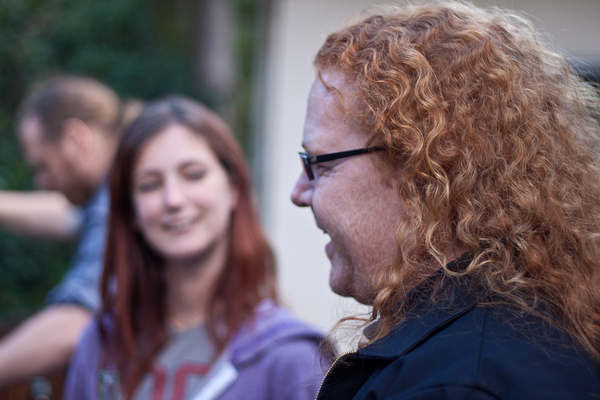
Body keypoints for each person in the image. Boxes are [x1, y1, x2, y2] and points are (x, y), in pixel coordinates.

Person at [291, 2, 600, 399]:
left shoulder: (460, 384)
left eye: (317, 162)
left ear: (419, 167)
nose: (299, 192)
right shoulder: (512, 341)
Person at [64, 96, 330, 400]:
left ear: (233, 188)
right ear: (131, 211)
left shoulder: (291, 358)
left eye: (194, 175)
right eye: (150, 185)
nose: (173, 199)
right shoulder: (101, 346)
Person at [0, 75, 138, 386]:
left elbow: (75, 324)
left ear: (76, 139)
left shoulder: (121, 191)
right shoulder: (125, 178)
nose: (42, 182)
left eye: (43, 166)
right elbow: (68, 217)